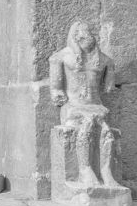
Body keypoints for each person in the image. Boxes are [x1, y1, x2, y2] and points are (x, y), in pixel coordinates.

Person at [49, 21, 122, 189]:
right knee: (88, 124)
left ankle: (106, 171)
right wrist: (59, 95)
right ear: (76, 37)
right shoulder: (61, 57)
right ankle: (85, 169)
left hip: (97, 106)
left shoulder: (105, 61)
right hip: (73, 107)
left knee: (106, 131)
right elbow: (56, 91)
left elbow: (109, 88)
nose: (88, 37)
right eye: (84, 34)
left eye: (91, 34)